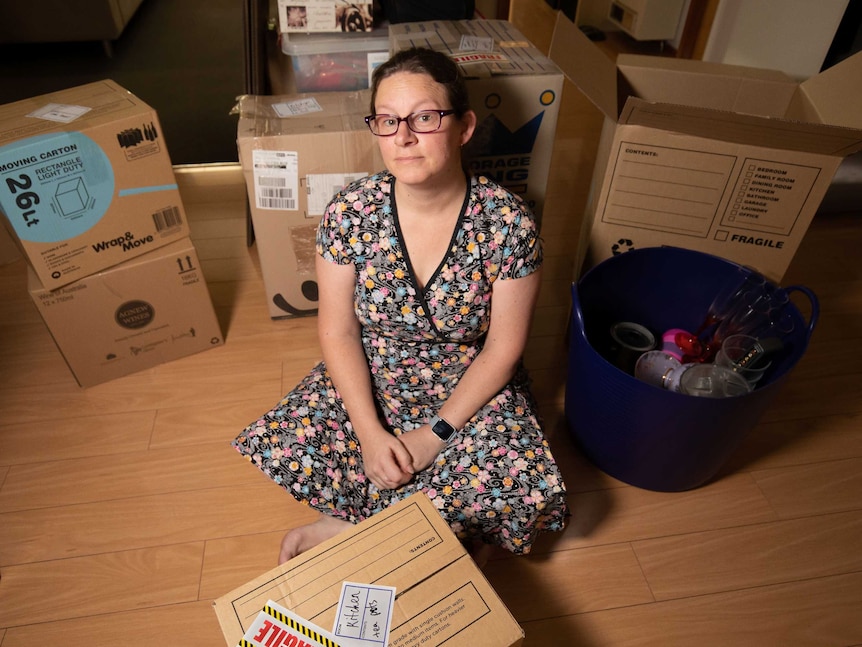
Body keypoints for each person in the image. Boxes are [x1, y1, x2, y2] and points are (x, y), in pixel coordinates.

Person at [232, 47, 569, 564]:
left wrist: (436, 435)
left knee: (515, 478)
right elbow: (338, 332)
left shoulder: (507, 223)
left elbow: (502, 350)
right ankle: (415, 524)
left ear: (464, 127)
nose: (404, 136)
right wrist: (370, 434)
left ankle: (367, 521)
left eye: (425, 117)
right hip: (376, 366)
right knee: (295, 439)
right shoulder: (350, 212)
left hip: (467, 377)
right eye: (387, 121)